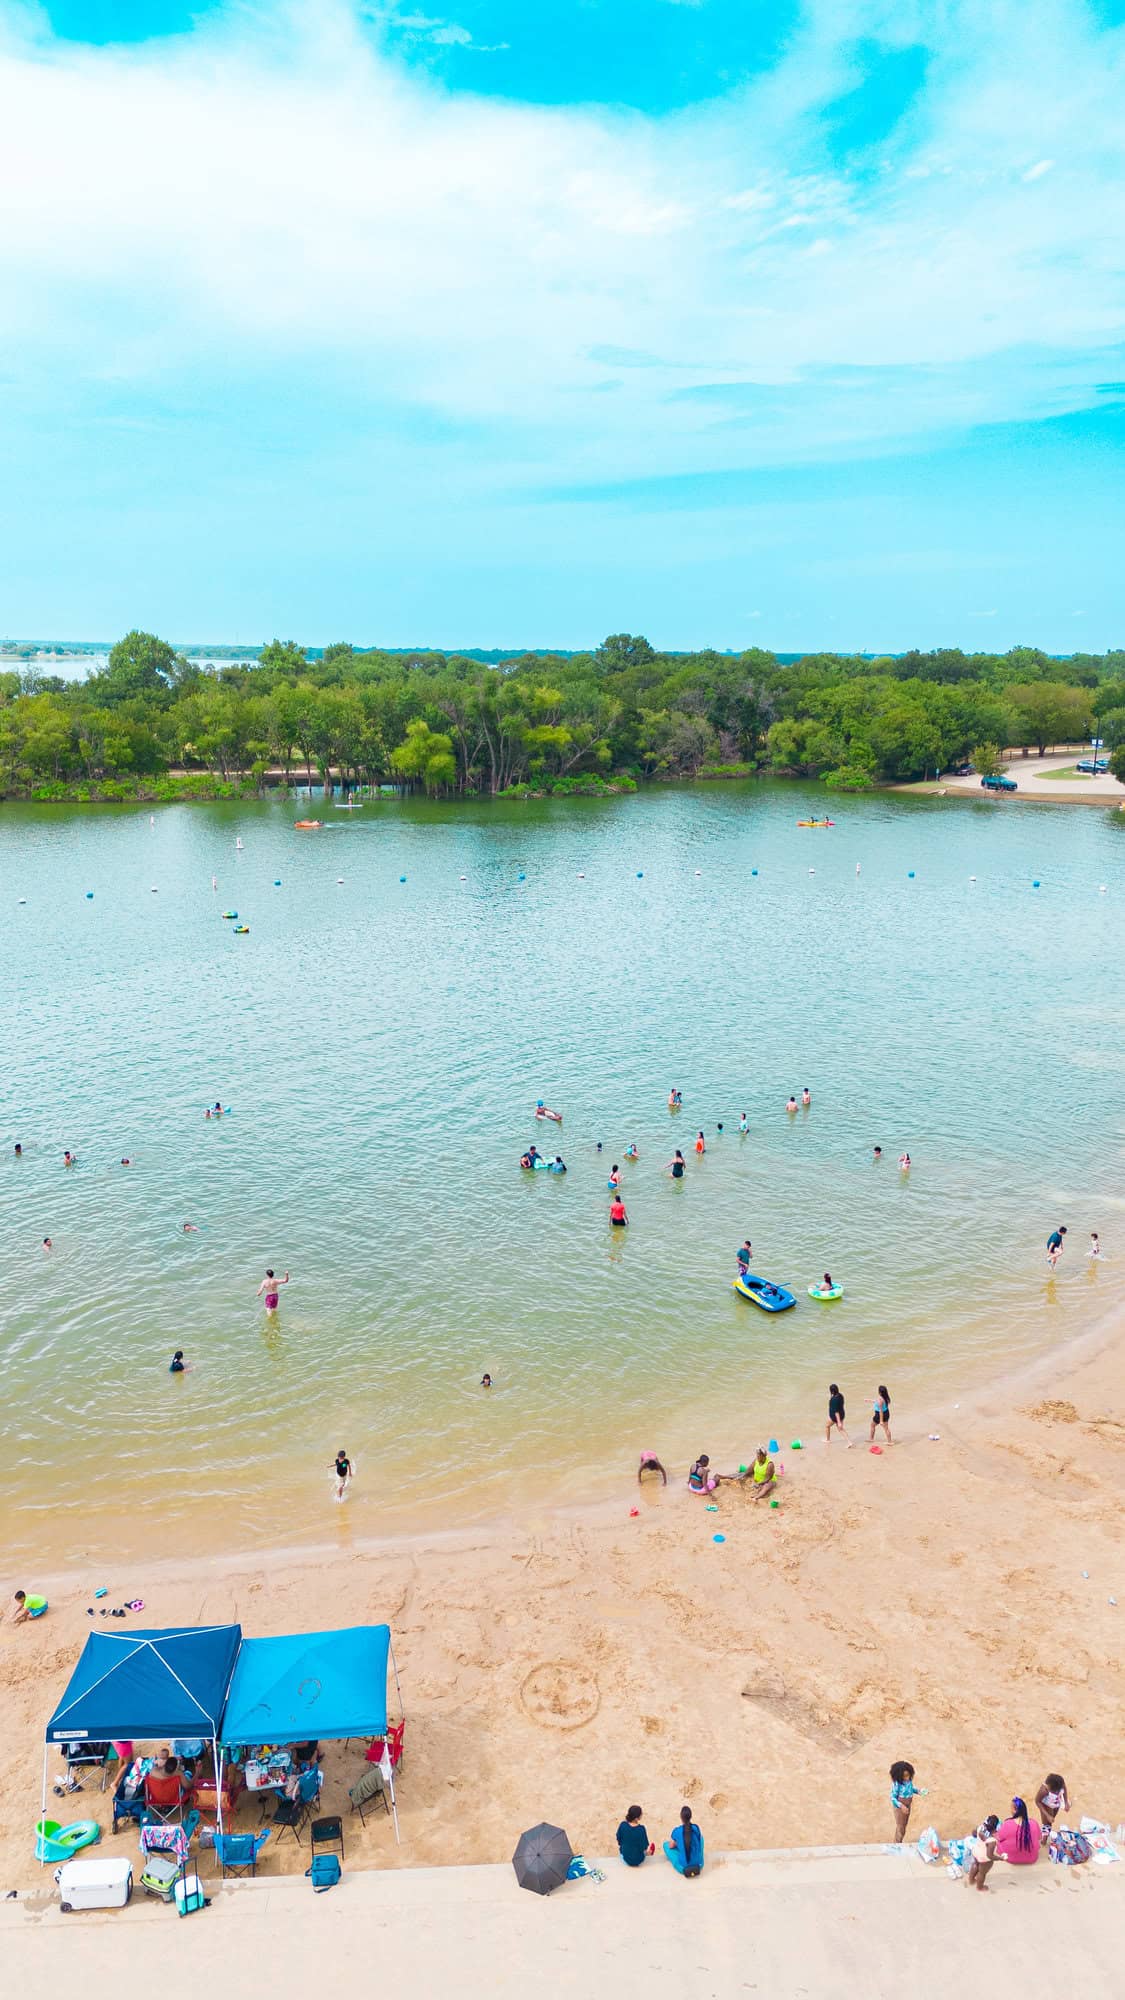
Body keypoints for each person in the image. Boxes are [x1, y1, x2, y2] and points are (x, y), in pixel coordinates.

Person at [996, 1797, 1041, 1865]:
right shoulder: (1034, 1823)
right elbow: (1039, 1838)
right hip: (1032, 1858)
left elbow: (999, 1838)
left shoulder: (1007, 1824)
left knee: (997, 1842)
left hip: (1011, 1858)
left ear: (1015, 1810)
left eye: (1011, 1808)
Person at [663, 1804, 703, 1877]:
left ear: (681, 1818)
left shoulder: (677, 1831)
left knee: (665, 1845)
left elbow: (671, 1846)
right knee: (701, 1839)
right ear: (691, 1817)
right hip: (699, 1864)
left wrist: (678, 1844)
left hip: (683, 1867)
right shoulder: (696, 1828)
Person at [889, 1760, 922, 1842]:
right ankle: (897, 1843)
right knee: (901, 1827)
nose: (907, 1778)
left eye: (908, 1775)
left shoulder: (908, 1780)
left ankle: (898, 1841)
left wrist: (918, 1791)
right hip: (900, 1807)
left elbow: (910, 1789)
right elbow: (893, 1798)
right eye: (904, 1776)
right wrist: (901, 1806)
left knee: (904, 1824)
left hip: (907, 1805)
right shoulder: (897, 1784)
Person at [969, 1814, 1000, 1891]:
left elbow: (973, 1833)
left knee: (975, 1864)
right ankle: (980, 1887)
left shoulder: (980, 1828)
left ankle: (971, 1880)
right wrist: (1000, 1858)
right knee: (982, 1873)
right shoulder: (992, 1840)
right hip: (984, 1858)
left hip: (976, 1851)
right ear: (995, 1829)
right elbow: (990, 1856)